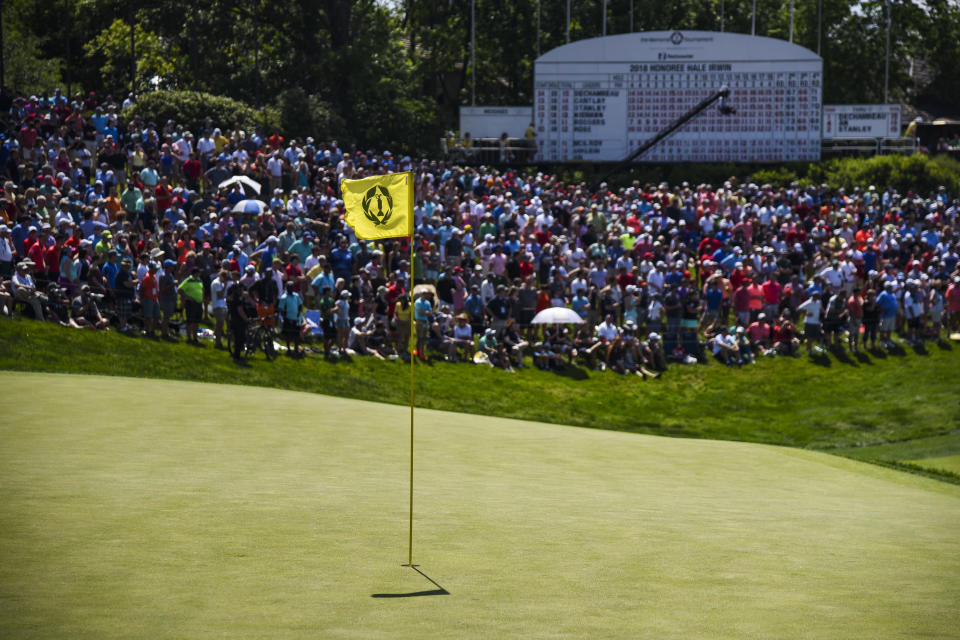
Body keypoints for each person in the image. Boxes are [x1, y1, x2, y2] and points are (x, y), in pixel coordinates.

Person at [278, 280, 305, 357]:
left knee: (296, 335)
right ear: (287, 288)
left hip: (296, 318)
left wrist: (299, 312)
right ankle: (289, 349)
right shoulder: (284, 297)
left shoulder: (296, 295)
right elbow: (281, 308)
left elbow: (300, 304)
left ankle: (296, 349)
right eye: (290, 287)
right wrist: (284, 316)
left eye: (292, 287)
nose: (291, 288)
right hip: (288, 318)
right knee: (288, 335)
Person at [178, 267, 204, 344]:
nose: (199, 274)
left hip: (198, 303)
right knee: (190, 320)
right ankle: (189, 337)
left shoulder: (199, 280)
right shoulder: (188, 280)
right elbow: (180, 289)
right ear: (195, 273)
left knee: (196, 321)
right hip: (191, 303)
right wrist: (187, 297)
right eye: (198, 273)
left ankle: (195, 337)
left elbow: (202, 289)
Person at [226, 276, 249, 362]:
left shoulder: (231, 297)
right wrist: (246, 319)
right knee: (240, 338)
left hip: (232, 319)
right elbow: (240, 310)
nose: (242, 290)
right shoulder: (237, 298)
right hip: (238, 320)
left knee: (236, 337)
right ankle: (237, 355)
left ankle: (236, 353)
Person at [797, 291, 823, 355]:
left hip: (816, 322)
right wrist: (806, 314)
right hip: (809, 322)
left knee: (815, 336)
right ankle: (809, 349)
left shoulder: (818, 302)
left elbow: (819, 310)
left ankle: (809, 347)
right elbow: (799, 308)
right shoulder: (809, 302)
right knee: (810, 337)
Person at [140, 261, 161, 338]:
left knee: (157, 315)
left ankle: (152, 330)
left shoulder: (154, 276)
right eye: (155, 268)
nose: (156, 270)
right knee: (148, 316)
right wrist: (142, 298)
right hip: (148, 298)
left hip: (155, 298)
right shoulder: (147, 277)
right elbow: (142, 289)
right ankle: (147, 330)